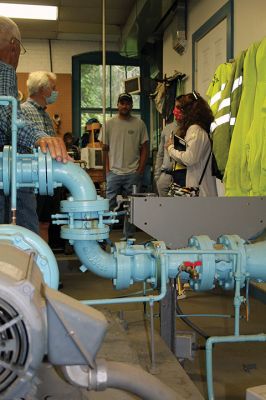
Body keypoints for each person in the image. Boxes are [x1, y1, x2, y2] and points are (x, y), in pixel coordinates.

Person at [0, 16, 69, 234]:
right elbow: (5, 114)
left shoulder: (45, 114)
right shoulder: (4, 70)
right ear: (14, 46)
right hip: (13, 180)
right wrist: (38, 136)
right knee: (26, 236)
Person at [99, 92, 149, 239]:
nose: (125, 106)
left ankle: (129, 237)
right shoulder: (109, 124)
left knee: (131, 207)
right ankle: (104, 236)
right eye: (122, 103)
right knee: (109, 205)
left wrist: (139, 171)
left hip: (132, 173)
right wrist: (107, 170)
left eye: (127, 103)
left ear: (132, 105)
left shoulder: (139, 124)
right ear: (118, 105)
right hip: (113, 172)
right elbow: (104, 149)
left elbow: (145, 148)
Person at [166, 91, 217, 196]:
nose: (177, 112)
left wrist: (170, 148)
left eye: (180, 109)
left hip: (200, 192)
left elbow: (189, 158)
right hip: (200, 190)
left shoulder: (195, 130)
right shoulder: (200, 129)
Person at [154, 95, 186, 196]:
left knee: (178, 210)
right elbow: (160, 154)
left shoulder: (190, 129)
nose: (176, 110)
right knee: (163, 209)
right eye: (175, 107)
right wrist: (157, 177)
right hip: (165, 177)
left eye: (179, 107)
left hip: (182, 178)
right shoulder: (167, 129)